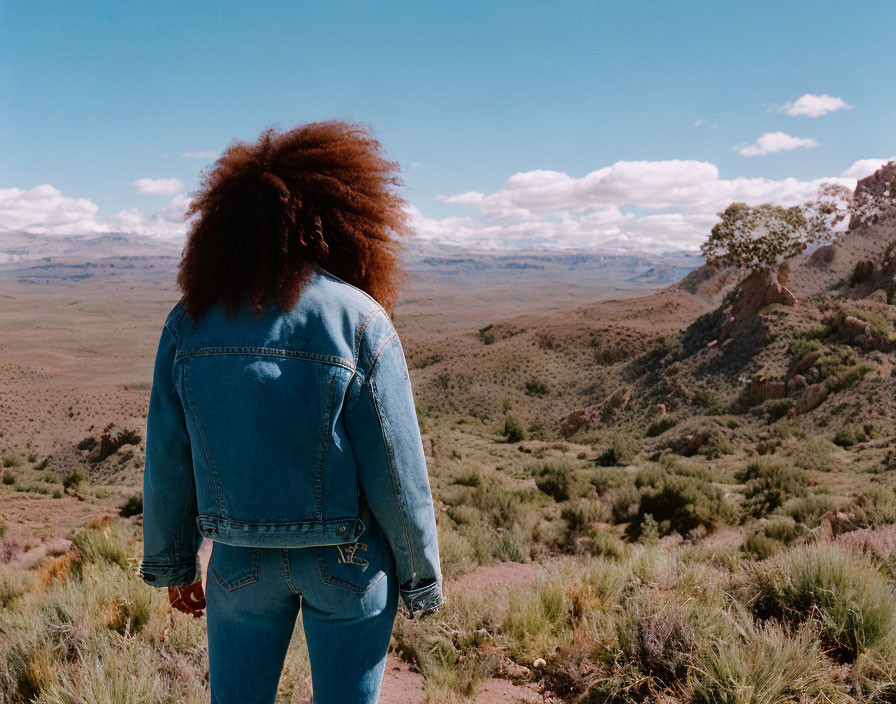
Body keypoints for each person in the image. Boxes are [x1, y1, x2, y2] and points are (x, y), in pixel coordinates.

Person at [137, 121, 444, 704]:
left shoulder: (188, 324)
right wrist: (419, 575)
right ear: (339, 220)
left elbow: (167, 457)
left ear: (224, 227)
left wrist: (173, 562)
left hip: (239, 562)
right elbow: (398, 472)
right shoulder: (359, 319)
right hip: (348, 561)